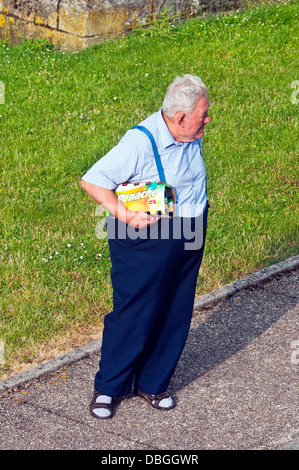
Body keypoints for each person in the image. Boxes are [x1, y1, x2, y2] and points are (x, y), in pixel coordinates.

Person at [81, 74, 211, 419]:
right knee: (135, 310)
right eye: (203, 114)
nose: (208, 120)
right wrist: (125, 215)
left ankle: (153, 383)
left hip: (190, 228)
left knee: (175, 308)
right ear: (179, 117)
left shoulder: (188, 132)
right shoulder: (139, 142)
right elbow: (93, 180)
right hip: (148, 236)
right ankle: (109, 389)